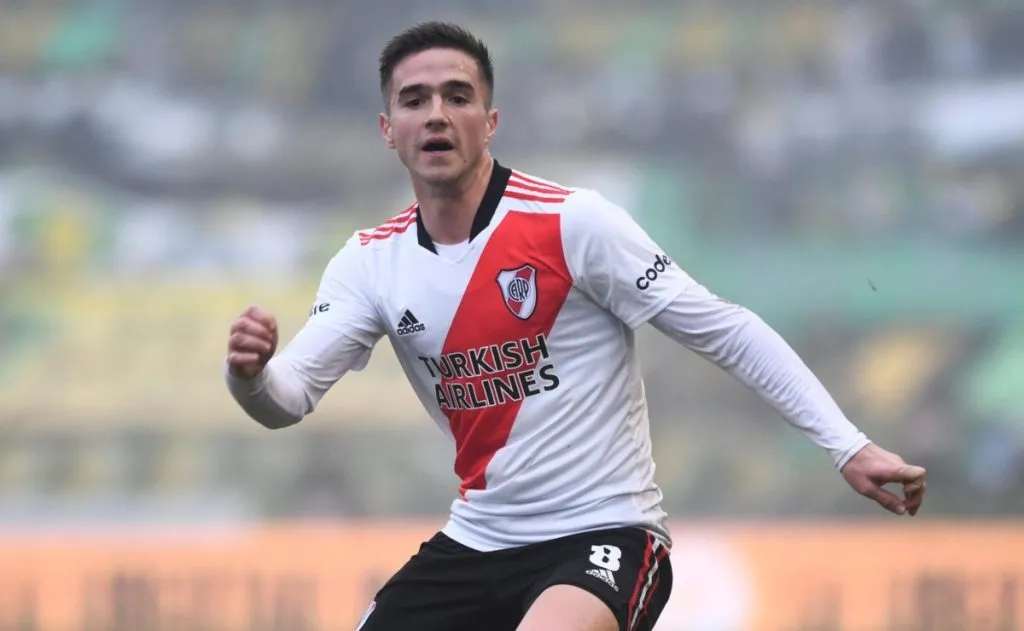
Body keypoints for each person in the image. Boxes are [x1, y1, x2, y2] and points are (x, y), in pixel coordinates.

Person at [225, 21, 927, 631]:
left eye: (457, 96)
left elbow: (725, 329)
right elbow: (287, 400)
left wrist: (845, 443)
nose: (437, 114)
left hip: (606, 534)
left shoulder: (571, 223)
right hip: (478, 539)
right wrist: (248, 374)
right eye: (415, 100)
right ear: (389, 130)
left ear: (490, 121)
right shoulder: (370, 262)